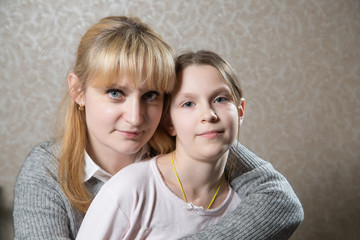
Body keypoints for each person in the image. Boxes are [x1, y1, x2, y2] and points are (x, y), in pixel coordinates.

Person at [13, 16, 303, 240]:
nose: (136, 117)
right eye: (115, 92)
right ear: (78, 91)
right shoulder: (46, 171)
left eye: (151, 95)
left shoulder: (188, 142)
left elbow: (280, 201)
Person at [76, 50, 247, 239]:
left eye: (220, 99)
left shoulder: (249, 207)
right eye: (188, 104)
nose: (209, 115)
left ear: (240, 112)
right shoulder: (128, 191)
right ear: (169, 122)